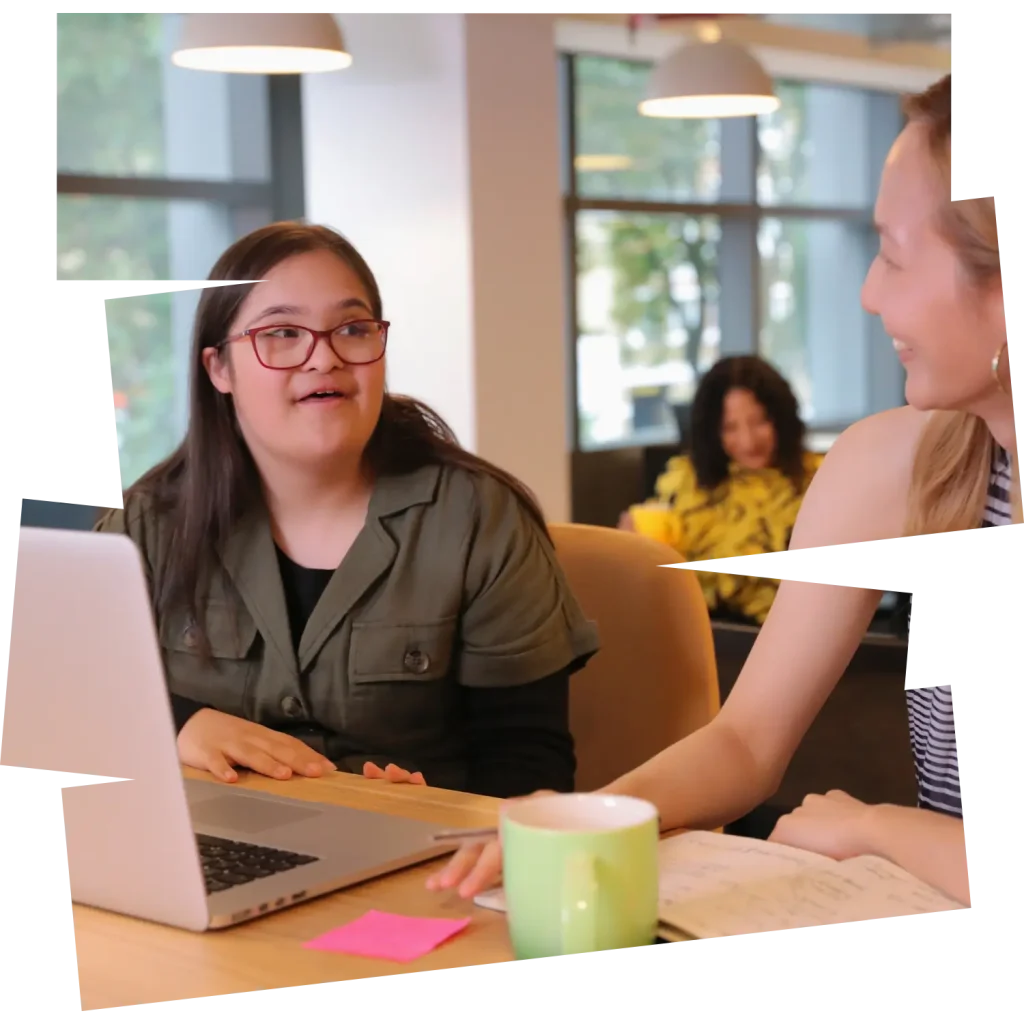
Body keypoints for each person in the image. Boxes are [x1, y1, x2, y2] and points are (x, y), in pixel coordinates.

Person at [379, 73, 1012, 908]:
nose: (867, 293)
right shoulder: (898, 467)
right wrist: (594, 816)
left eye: (894, 254)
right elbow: (747, 741)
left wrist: (877, 829)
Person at [96, 222, 599, 800]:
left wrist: (438, 806)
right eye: (283, 333)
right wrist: (180, 723)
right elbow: (67, 686)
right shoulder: (150, 523)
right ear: (219, 369)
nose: (324, 357)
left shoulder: (478, 519)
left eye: (353, 329)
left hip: (424, 860)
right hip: (206, 847)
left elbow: (529, 763)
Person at [619, 355, 823, 625]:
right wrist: (632, 543)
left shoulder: (822, 479)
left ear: (781, 418)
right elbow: (660, 556)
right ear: (711, 433)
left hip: (797, 634)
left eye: (760, 421)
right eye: (730, 428)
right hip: (705, 635)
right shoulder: (686, 480)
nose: (748, 441)